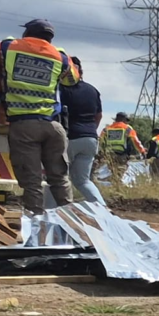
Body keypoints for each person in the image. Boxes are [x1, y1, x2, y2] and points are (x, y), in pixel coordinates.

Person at [0, 19, 78, 215]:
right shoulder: (60, 56)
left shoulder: (8, 46)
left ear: (27, 33)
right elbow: (72, 79)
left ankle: (36, 222)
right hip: (54, 126)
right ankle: (71, 222)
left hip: (24, 125)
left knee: (32, 180)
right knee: (60, 178)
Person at [60, 56, 107, 206]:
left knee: (58, 178)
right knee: (82, 180)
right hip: (90, 139)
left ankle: (53, 212)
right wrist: (91, 129)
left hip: (70, 138)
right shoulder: (93, 90)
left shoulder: (62, 90)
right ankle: (103, 209)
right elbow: (99, 115)